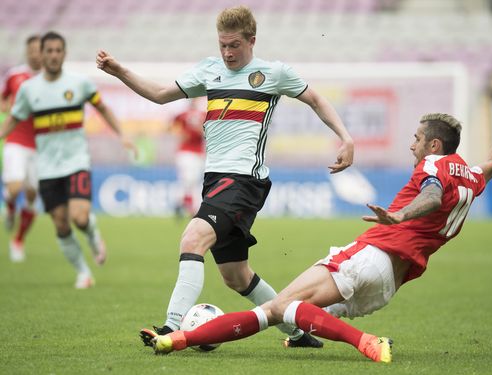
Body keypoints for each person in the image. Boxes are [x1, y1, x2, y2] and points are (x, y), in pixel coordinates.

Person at [140, 86, 492, 363]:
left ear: (434, 145)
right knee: (293, 312)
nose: (412, 144)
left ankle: (176, 338)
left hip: (372, 256)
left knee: (274, 309)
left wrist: (400, 215)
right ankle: (303, 338)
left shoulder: (434, 165)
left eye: (417, 138)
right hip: (389, 284)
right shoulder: (471, 175)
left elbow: (433, 194)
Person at [96, 5, 354, 347]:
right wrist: (119, 71)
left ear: (252, 41)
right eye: (223, 45)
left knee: (192, 239)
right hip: (215, 180)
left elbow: (316, 99)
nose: (228, 52)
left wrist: (346, 137)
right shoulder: (210, 70)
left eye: (234, 45)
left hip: (244, 180)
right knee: (236, 276)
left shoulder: (273, 73)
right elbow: (160, 95)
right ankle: (298, 333)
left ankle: (171, 329)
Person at [0, 31, 135, 288]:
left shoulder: (79, 84)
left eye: (57, 51)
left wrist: (122, 135)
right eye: (48, 51)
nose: (52, 55)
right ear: (42, 54)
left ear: (64, 53)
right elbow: (13, 119)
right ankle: (83, 273)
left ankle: (94, 237)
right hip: (47, 167)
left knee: (80, 218)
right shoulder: (29, 90)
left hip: (76, 162)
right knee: (61, 225)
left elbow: (103, 108)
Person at [1, 35, 42, 262]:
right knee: (15, 188)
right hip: (16, 139)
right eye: (31, 50)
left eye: (38, 50)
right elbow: (3, 99)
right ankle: (9, 208)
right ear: (27, 52)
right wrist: (7, 108)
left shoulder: (50, 79)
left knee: (32, 194)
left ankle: (18, 239)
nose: (34, 54)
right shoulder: (15, 75)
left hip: (41, 145)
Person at [169, 99, 205, 217]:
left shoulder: (202, 115)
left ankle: (183, 204)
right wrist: (179, 134)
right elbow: (171, 126)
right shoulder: (184, 114)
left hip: (198, 152)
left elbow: (207, 131)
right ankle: (187, 206)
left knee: (194, 181)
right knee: (188, 179)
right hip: (186, 151)